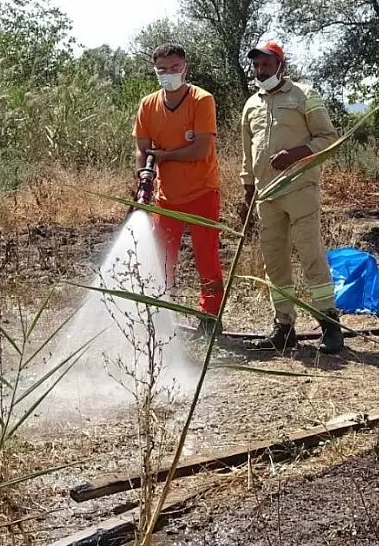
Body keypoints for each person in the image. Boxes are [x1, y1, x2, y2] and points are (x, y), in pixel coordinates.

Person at [238, 41, 344, 354]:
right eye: (256, 65)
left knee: (311, 255)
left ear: (280, 65)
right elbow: (247, 155)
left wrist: (295, 155)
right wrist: (247, 193)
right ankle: (284, 327)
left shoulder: (305, 95)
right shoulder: (250, 105)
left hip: (299, 190)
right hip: (265, 196)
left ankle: (330, 324)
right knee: (275, 263)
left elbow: (328, 138)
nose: (260, 70)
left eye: (266, 64)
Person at [132, 43, 224, 337]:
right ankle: (161, 312)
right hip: (167, 198)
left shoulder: (201, 100)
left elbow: (200, 148)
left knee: (206, 257)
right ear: (155, 71)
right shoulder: (148, 104)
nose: (168, 74)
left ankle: (210, 317)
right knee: (162, 258)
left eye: (174, 68)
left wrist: (164, 156)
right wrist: (144, 173)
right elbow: (142, 148)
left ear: (185, 68)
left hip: (202, 192)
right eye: (162, 70)